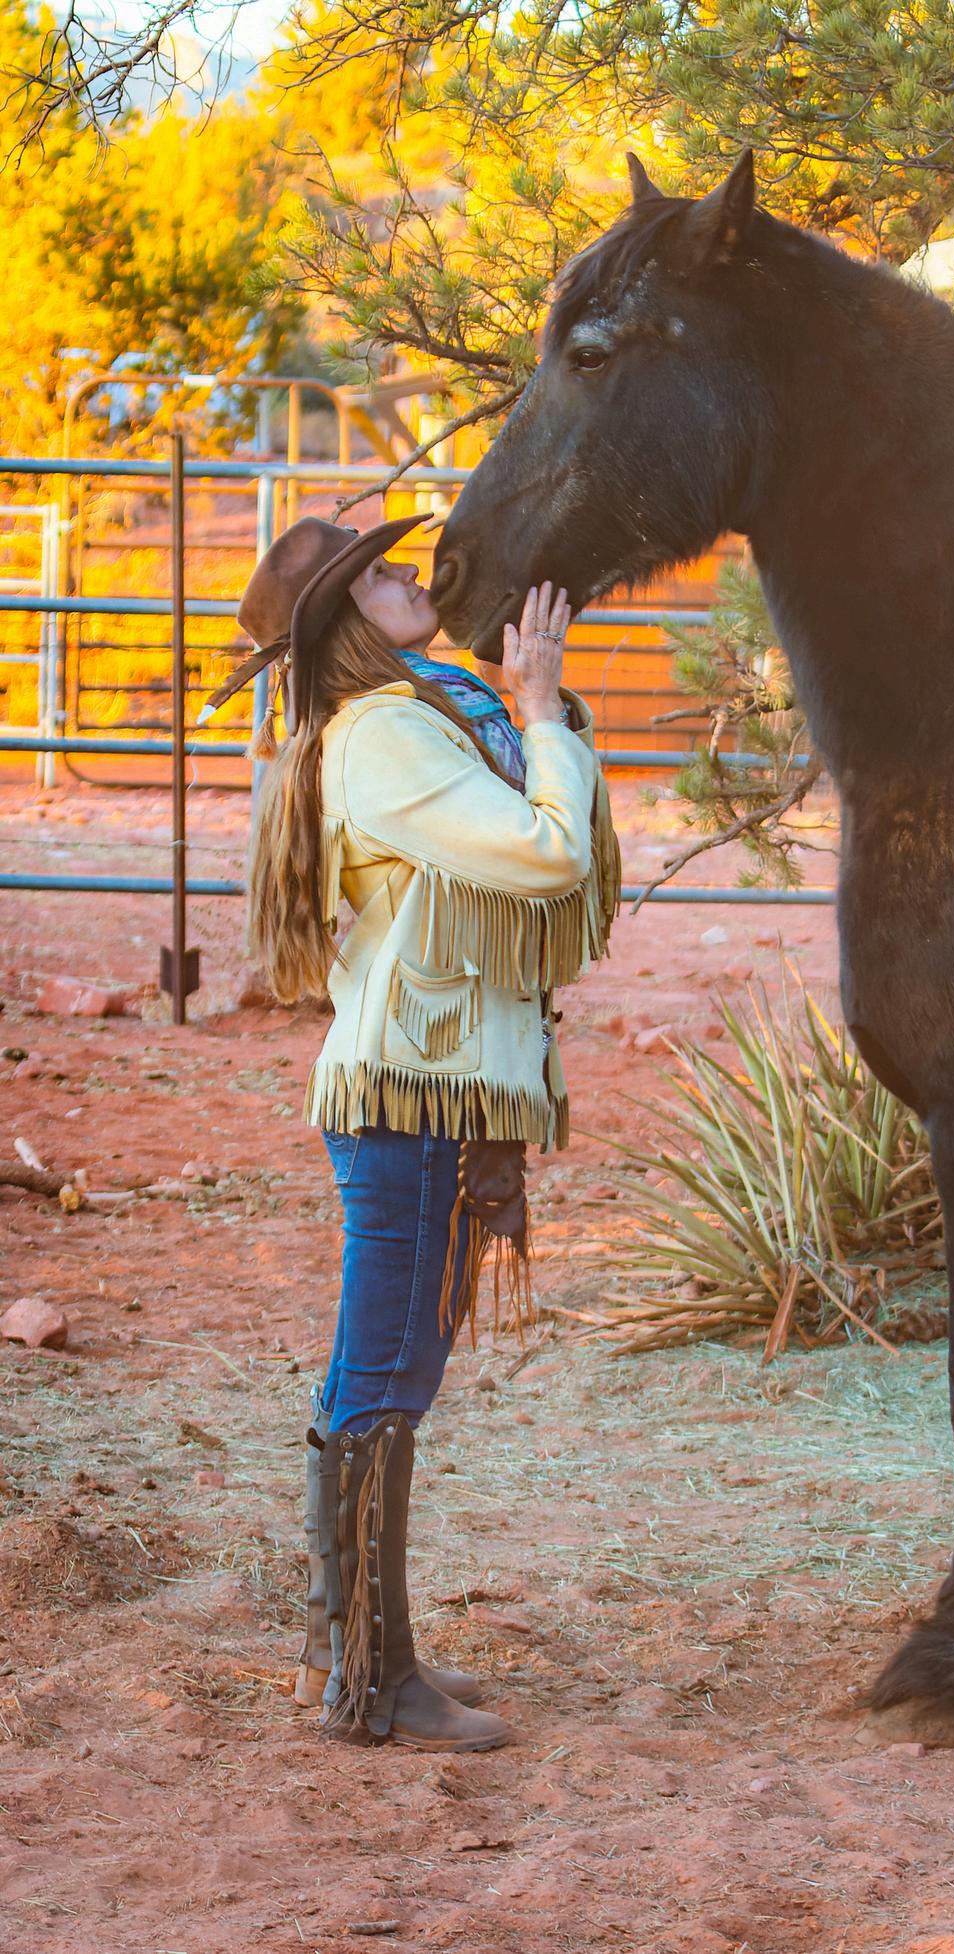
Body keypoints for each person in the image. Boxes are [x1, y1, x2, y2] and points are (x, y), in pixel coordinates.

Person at [200, 514, 620, 1752]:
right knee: (385, 1373)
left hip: (425, 1092)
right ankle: (372, 1680)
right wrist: (537, 708)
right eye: (378, 573)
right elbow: (545, 852)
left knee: (385, 1371)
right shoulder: (386, 733)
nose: (407, 572)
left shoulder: (419, 719)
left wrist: (532, 712)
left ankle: (352, 1651)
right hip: (410, 1096)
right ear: (343, 621)